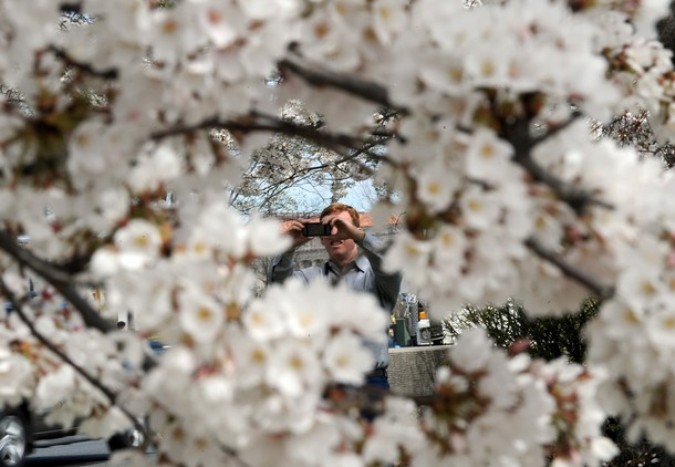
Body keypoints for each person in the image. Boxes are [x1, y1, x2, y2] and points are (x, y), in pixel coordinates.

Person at [267, 203, 402, 394]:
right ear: (322, 238)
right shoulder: (310, 279)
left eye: (341, 227)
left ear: (355, 231)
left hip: (369, 381)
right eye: (328, 229)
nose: (335, 234)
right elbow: (278, 288)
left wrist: (359, 237)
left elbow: (391, 264)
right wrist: (287, 248)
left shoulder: (376, 278)